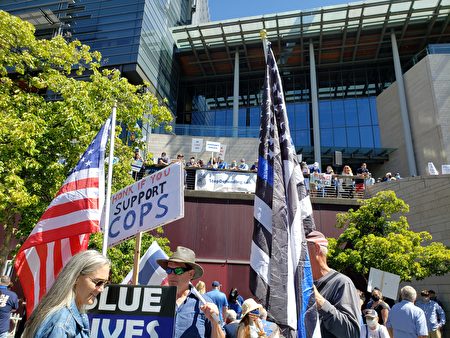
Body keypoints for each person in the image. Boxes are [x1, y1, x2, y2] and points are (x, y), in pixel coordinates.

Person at [22, 250, 110, 338]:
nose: (101, 289)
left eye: (105, 283)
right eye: (98, 282)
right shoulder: (61, 322)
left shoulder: (68, 317)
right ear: (76, 277)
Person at [157, 246, 225, 338]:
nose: (172, 275)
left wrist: (215, 323)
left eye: (178, 270)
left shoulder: (205, 303)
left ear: (191, 274)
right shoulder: (156, 300)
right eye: (169, 270)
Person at [306, 230, 361, 338]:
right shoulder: (303, 284)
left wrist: (320, 302)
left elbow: (351, 332)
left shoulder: (342, 283)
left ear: (316, 248)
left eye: (303, 249)